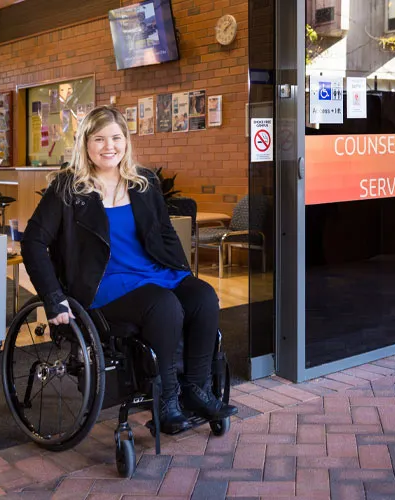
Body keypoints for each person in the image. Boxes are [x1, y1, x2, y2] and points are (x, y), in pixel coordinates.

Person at [21, 105, 237, 435]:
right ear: (85, 143)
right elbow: (33, 241)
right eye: (99, 139)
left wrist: (182, 274)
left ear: (127, 141)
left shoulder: (143, 182)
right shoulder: (68, 189)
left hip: (153, 272)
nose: (109, 146)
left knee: (203, 297)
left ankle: (197, 390)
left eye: (116, 138)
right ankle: (166, 402)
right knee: (163, 305)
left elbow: (164, 233)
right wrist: (53, 297)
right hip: (102, 284)